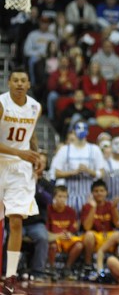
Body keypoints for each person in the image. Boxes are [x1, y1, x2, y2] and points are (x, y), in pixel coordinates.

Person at [0, 66, 42, 295]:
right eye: (14, 80)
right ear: (8, 83)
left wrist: (37, 155)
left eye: (22, 80)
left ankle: (10, 279)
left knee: (16, 221)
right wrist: (19, 153)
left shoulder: (35, 107)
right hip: (0, 162)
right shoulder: (1, 103)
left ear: (28, 84)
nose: (18, 84)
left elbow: (31, 135)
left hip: (20, 170)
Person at [49, 120, 106, 213]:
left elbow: (102, 173)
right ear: (73, 131)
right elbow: (56, 173)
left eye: (84, 128)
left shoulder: (94, 149)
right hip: (69, 195)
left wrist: (88, 170)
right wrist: (73, 172)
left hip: (89, 194)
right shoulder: (65, 150)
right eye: (78, 128)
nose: (81, 131)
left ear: (88, 131)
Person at [80, 179, 119, 277]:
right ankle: (88, 265)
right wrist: (93, 208)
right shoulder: (87, 207)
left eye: (102, 191)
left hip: (109, 237)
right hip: (96, 237)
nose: (99, 193)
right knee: (89, 235)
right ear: (92, 193)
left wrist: (114, 209)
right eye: (96, 191)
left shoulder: (111, 206)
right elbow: (87, 227)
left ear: (106, 192)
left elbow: (118, 224)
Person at [46, 186, 84, 280]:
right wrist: (58, 236)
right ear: (54, 197)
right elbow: (46, 231)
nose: (62, 199)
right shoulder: (48, 209)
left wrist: (69, 234)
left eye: (64, 197)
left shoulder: (71, 211)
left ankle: (67, 268)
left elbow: (73, 230)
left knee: (79, 245)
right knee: (53, 245)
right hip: (54, 238)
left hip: (66, 239)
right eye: (59, 196)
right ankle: (52, 268)